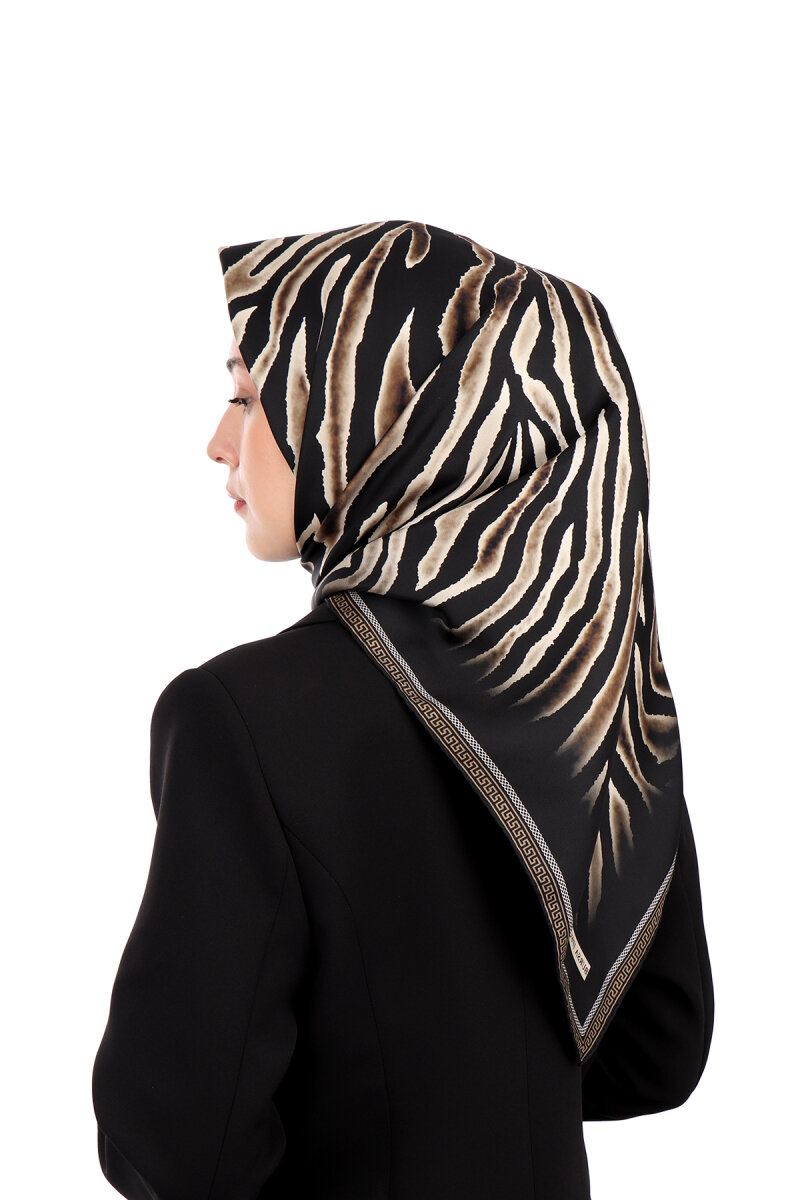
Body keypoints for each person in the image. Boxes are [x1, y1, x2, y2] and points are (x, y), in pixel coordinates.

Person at [91, 220, 714, 1200]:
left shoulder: (238, 717)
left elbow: (174, 1142)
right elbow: (654, 1049)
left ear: (376, 416)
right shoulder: (588, 696)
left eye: (248, 396)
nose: (217, 441)